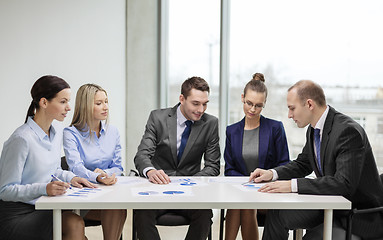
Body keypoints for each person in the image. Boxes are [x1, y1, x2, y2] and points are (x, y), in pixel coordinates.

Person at [249, 80, 383, 240]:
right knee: (278, 213)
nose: (289, 115)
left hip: (355, 216)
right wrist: (272, 174)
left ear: (309, 105)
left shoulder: (348, 131)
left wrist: (292, 185)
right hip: (330, 205)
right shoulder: (314, 129)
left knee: (311, 238)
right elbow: (303, 164)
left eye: (292, 108)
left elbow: (344, 184)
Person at [0, 75, 95, 240]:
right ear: (44, 102)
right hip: (18, 216)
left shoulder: (55, 133)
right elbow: (6, 190)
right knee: (74, 223)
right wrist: (44, 188)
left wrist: (73, 178)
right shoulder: (21, 139)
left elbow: (54, 170)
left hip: (45, 205)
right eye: (63, 101)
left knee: (79, 232)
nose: (69, 108)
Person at [134, 76, 221, 240]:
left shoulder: (210, 123)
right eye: (196, 103)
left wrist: (190, 182)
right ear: (182, 99)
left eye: (205, 104)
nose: (201, 109)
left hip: (191, 192)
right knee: (141, 212)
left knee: (205, 214)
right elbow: (142, 155)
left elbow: (213, 166)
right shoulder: (157, 118)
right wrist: (151, 171)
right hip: (158, 189)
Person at [224, 73, 290, 240]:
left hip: (268, 191)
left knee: (244, 204)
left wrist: (264, 180)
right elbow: (230, 169)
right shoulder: (232, 131)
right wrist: (246, 185)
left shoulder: (275, 128)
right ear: (242, 98)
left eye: (258, 106)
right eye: (249, 103)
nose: (252, 110)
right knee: (240, 203)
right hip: (242, 190)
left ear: (264, 104)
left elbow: (285, 164)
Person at [63, 83, 127, 240]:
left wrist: (106, 174)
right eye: (99, 103)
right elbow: (76, 167)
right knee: (113, 205)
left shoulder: (113, 132)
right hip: (82, 196)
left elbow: (118, 167)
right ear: (85, 106)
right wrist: (96, 177)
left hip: (107, 195)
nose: (105, 107)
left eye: (106, 101)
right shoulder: (71, 133)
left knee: (117, 205)